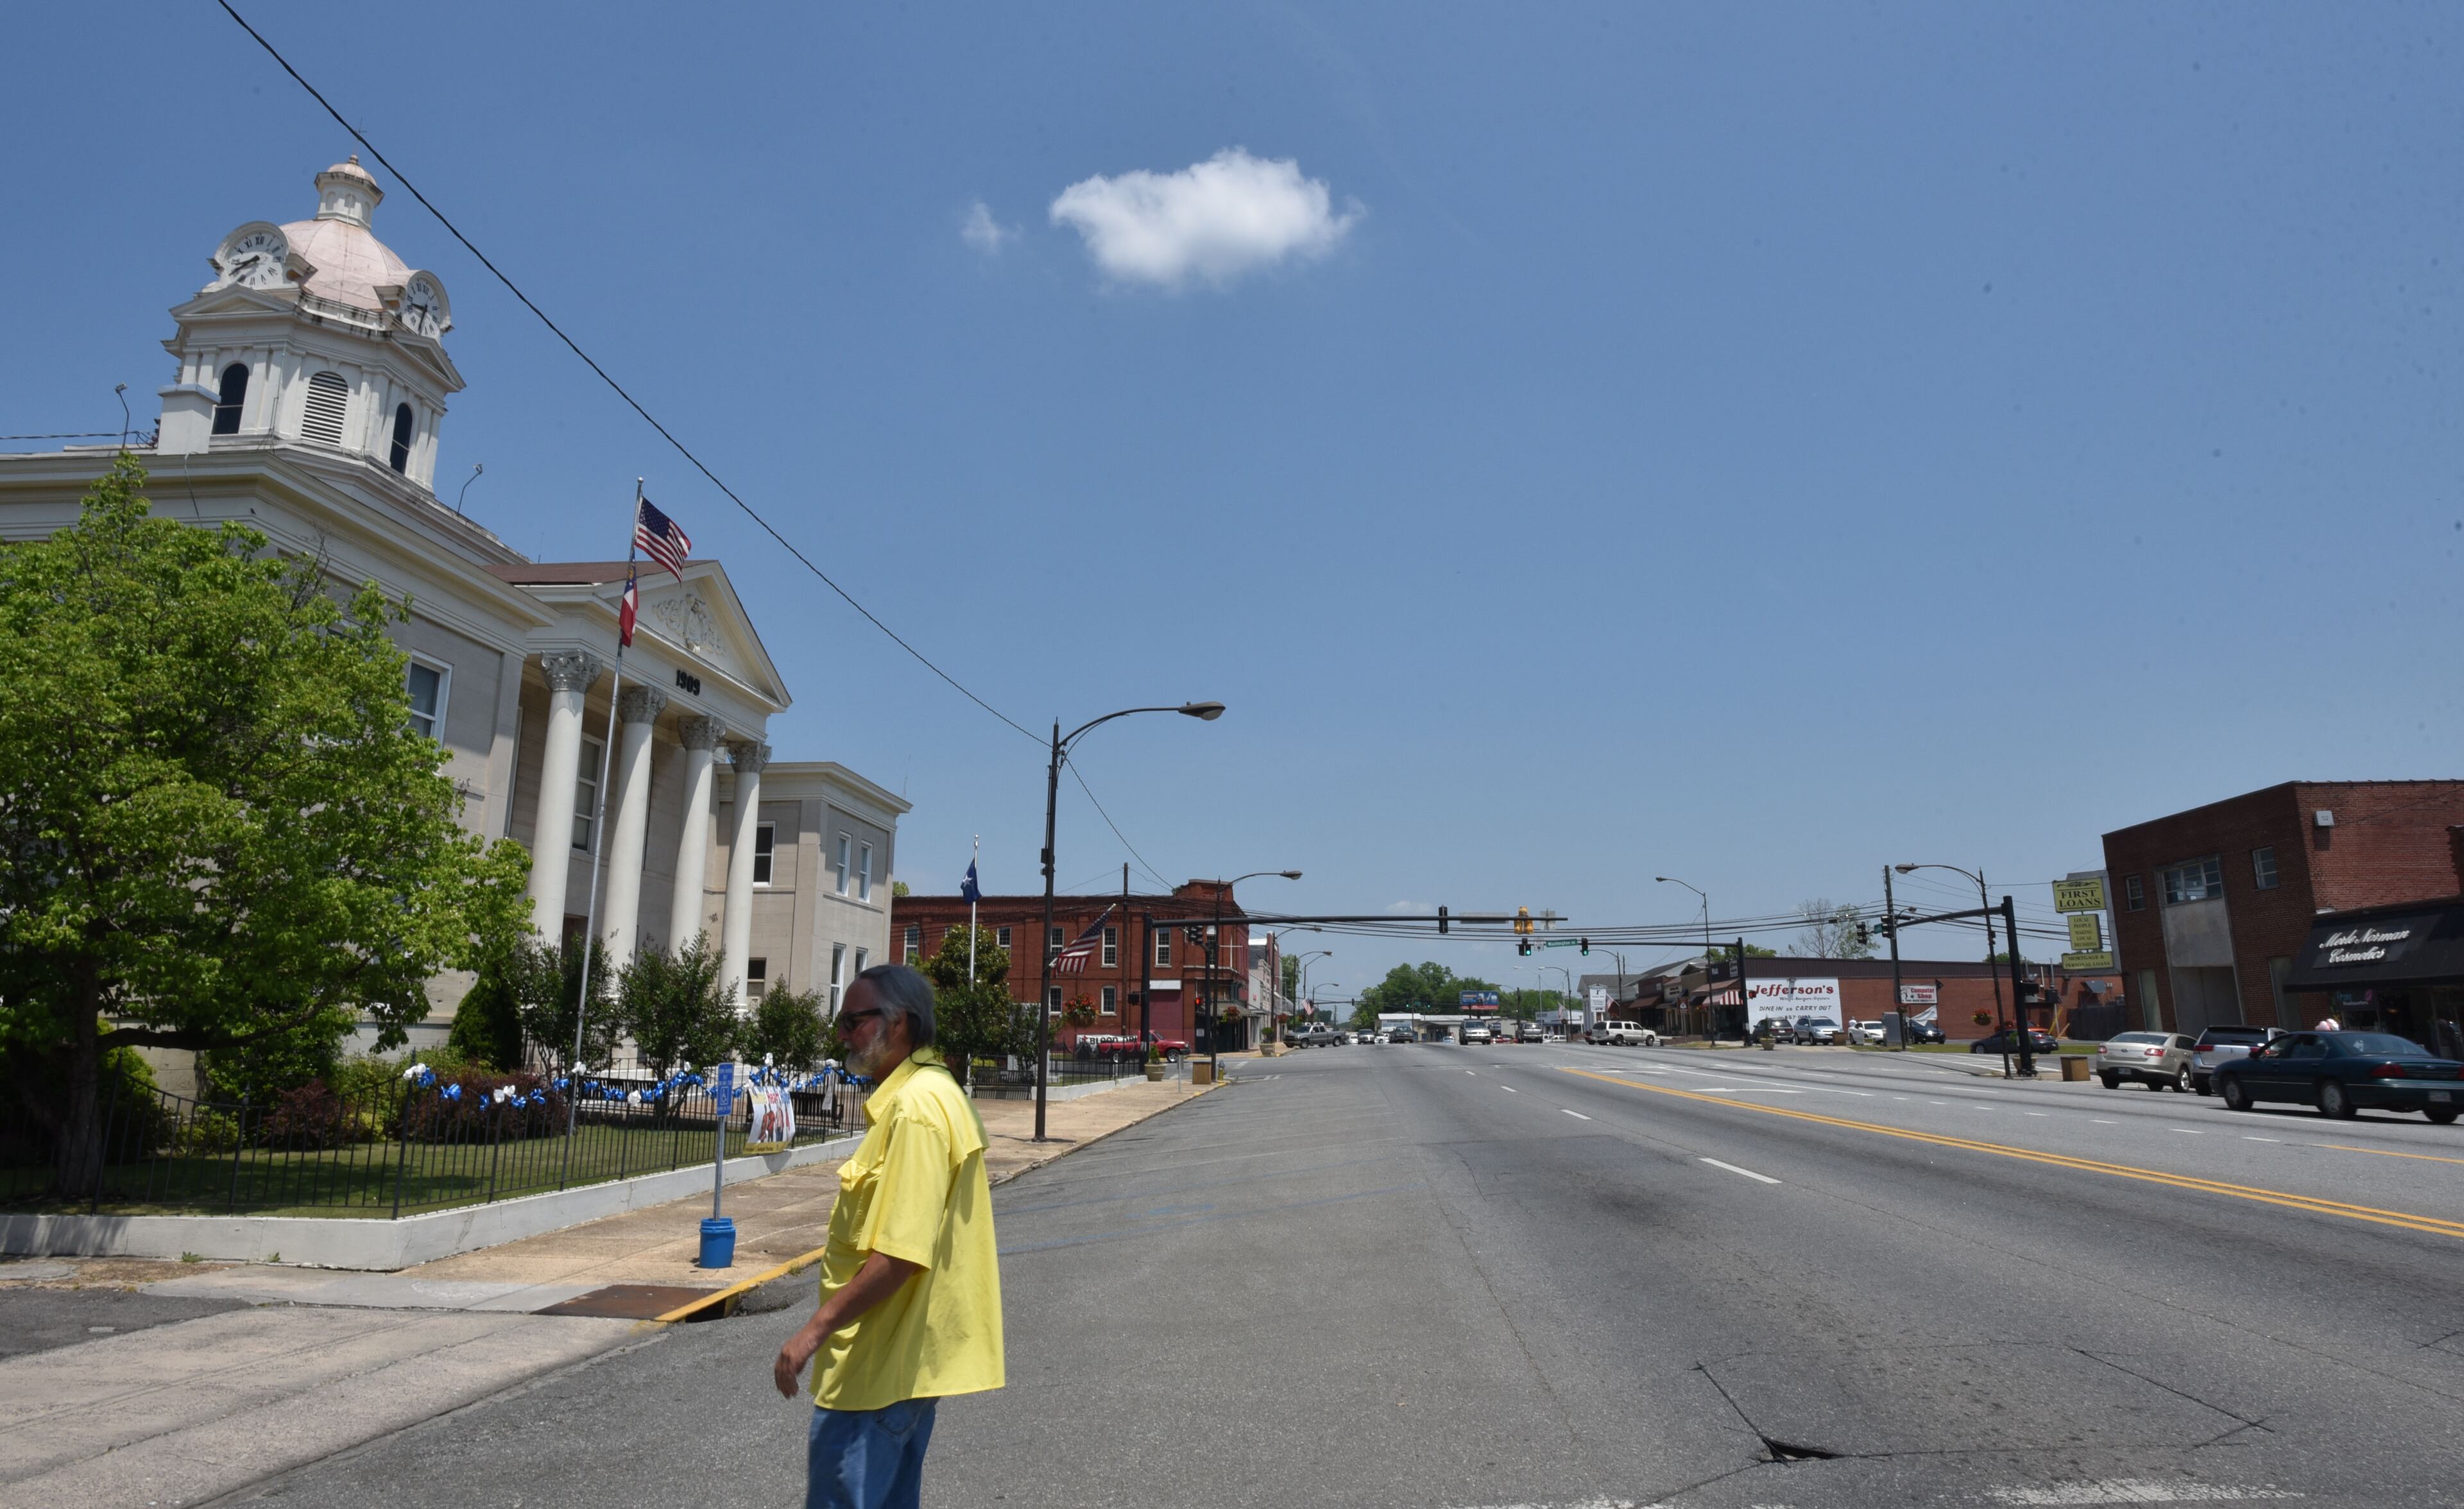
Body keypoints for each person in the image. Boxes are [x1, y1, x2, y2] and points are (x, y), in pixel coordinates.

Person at [774, 964, 1003, 1509]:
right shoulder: (929, 1092)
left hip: (876, 1371)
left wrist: (812, 1332)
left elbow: (902, 1254)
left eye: (853, 1020)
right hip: (898, 1368)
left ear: (898, 1023)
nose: (842, 1034)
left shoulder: (916, 1109)